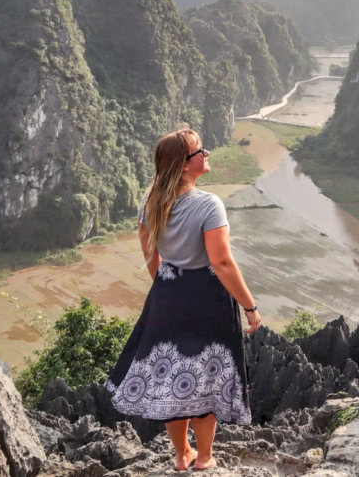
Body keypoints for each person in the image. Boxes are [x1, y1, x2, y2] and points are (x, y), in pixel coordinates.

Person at [106, 127, 261, 471]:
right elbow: (221, 262)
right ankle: (204, 457)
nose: (206, 154)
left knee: (170, 375)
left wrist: (167, 286)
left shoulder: (150, 204)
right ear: (184, 165)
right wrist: (249, 306)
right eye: (199, 152)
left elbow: (151, 259)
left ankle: (181, 454)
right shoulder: (208, 205)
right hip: (208, 300)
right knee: (206, 374)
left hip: (167, 298)